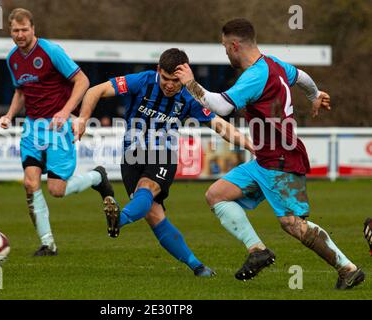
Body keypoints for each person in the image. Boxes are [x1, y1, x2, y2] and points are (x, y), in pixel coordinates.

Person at [174, 18, 365, 289]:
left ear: (235, 45)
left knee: (293, 224)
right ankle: (258, 251)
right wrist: (314, 95)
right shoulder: (273, 64)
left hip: (281, 160)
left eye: (225, 47)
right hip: (265, 160)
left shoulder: (254, 76)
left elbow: (222, 106)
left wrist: (191, 84)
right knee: (216, 195)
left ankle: (348, 268)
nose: (225, 52)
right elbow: (302, 77)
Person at [74, 48, 254, 277]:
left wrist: (250, 145)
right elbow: (95, 90)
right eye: (166, 79)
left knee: (147, 189)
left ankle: (120, 218)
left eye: (175, 81)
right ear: (158, 71)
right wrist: (83, 119)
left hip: (163, 152)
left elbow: (219, 124)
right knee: (154, 214)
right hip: (131, 154)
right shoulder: (142, 81)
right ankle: (197, 267)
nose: (170, 85)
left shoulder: (191, 96)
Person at [0, 8, 115, 256]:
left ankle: (97, 177)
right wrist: (9, 115)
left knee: (56, 190)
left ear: (33, 29)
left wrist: (65, 111)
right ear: (10, 31)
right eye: (15, 30)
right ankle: (48, 244)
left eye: (24, 29)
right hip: (31, 128)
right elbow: (21, 91)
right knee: (30, 184)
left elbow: (82, 81)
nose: (20, 35)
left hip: (57, 127)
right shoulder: (12, 59)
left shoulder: (51, 51)